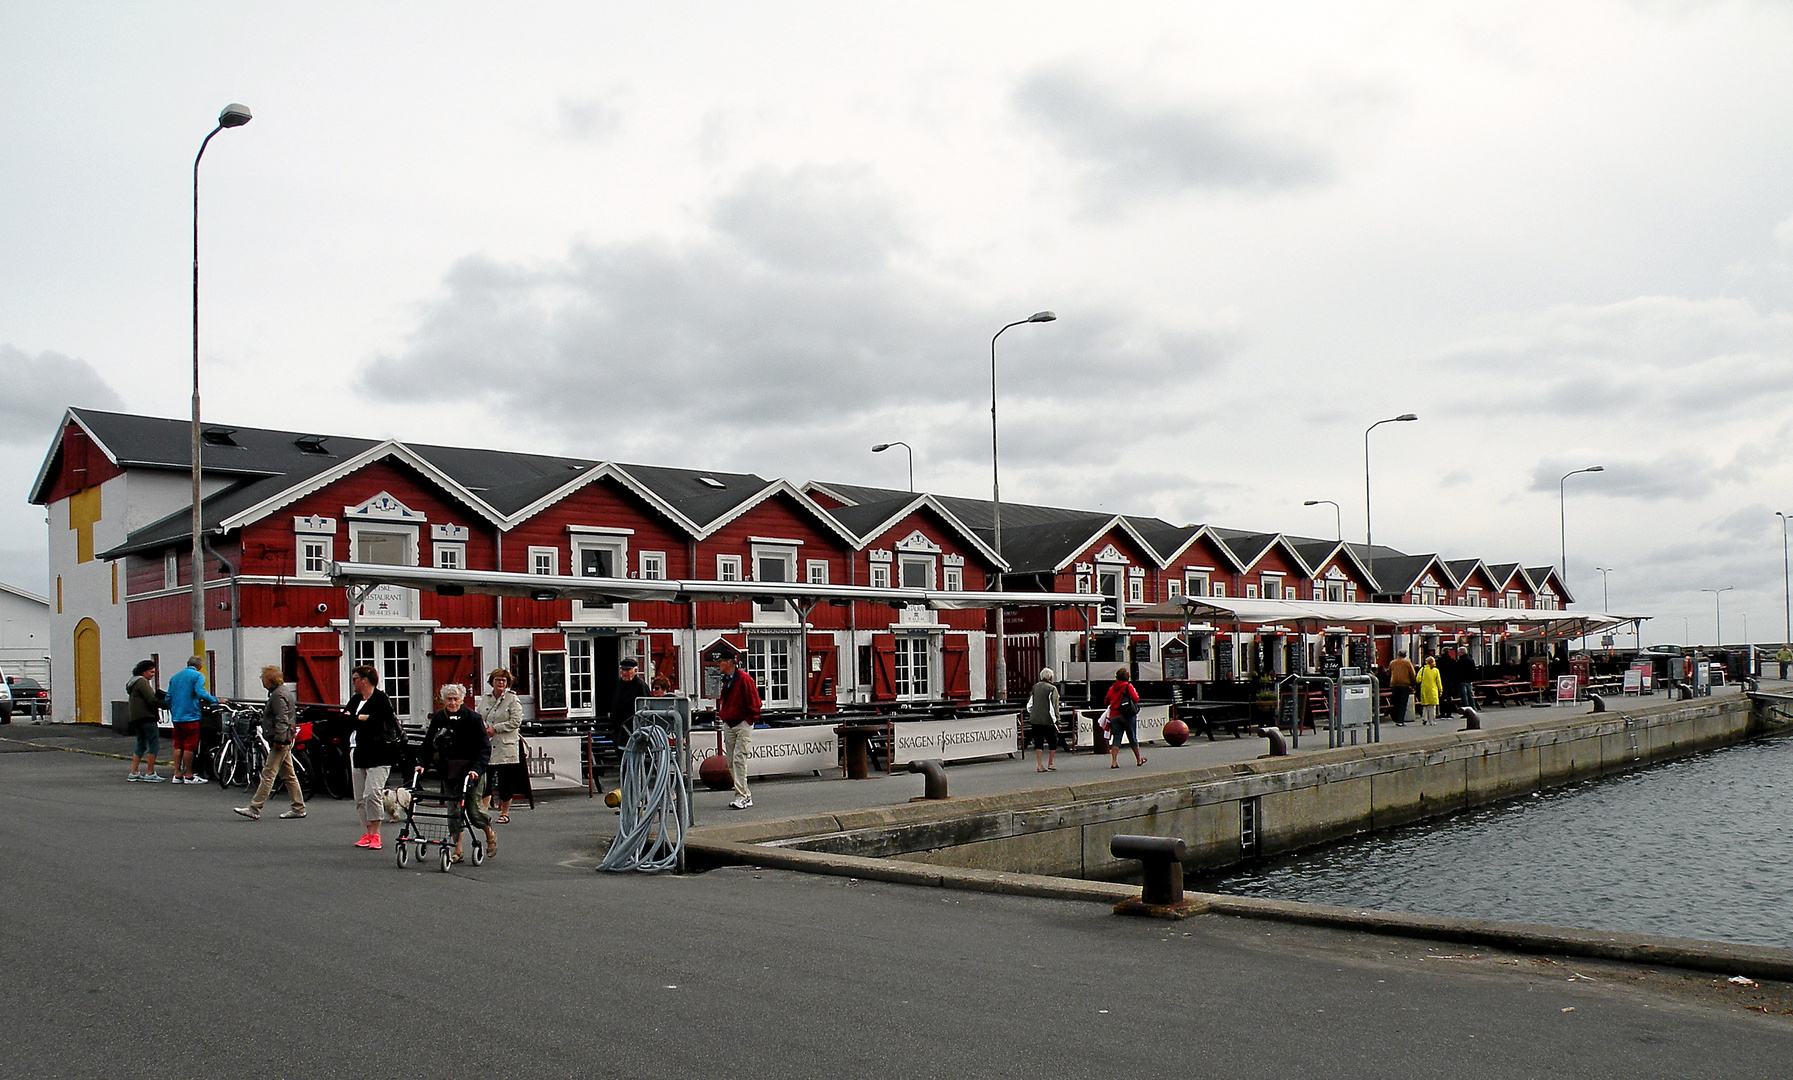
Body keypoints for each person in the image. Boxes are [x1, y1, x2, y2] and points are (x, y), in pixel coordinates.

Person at [422, 683, 496, 863]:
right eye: (449, 699)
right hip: (449, 770)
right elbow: (428, 744)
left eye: (456, 699)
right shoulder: (439, 717)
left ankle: (489, 833)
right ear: (443, 701)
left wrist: (476, 769)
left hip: (471, 770)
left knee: (474, 811)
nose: (453, 703)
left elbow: (485, 748)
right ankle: (457, 849)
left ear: (462, 699)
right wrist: (422, 764)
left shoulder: (473, 718)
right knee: (453, 811)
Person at [234, 666, 306, 820]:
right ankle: (298, 806)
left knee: (268, 773)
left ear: (269, 679)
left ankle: (255, 807)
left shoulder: (277, 696)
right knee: (288, 775)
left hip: (281, 739)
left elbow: (282, 718)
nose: (262, 680)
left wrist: (279, 739)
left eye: (263, 677)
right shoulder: (282, 693)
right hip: (287, 737)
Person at [345, 664, 405, 850]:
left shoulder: (381, 699)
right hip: (358, 749)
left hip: (380, 752)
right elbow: (344, 720)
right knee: (359, 796)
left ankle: (376, 833)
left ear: (364, 680)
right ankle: (367, 831)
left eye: (355, 679)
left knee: (372, 793)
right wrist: (360, 719)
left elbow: (378, 723)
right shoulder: (355, 700)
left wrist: (358, 719)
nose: (353, 682)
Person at [713, 645, 761, 810]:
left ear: (727, 663)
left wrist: (749, 720)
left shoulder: (744, 679)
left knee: (739, 760)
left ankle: (743, 795)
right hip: (732, 722)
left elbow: (755, 703)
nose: (718, 665)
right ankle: (743, 794)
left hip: (741, 723)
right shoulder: (729, 680)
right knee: (732, 761)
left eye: (720, 662)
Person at [479, 668, 527, 823]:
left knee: (505, 782)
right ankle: (484, 812)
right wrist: (484, 728)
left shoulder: (512, 699)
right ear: (492, 682)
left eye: (503, 681)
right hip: (487, 745)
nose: (500, 683)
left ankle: (504, 813)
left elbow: (515, 721)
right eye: (498, 680)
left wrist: (495, 728)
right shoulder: (485, 699)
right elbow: (479, 716)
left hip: (506, 746)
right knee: (485, 780)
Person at [165, 655, 217, 784]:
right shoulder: (198, 676)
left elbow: (168, 698)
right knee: (189, 746)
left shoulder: (175, 677)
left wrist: (175, 710)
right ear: (200, 666)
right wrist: (214, 700)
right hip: (191, 715)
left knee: (178, 745)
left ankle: (177, 774)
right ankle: (189, 775)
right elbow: (200, 692)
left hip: (177, 716)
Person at [124, 660, 165, 782]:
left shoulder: (133, 682)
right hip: (146, 717)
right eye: (151, 672)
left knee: (141, 744)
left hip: (136, 718)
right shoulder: (142, 682)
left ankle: (134, 771)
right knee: (154, 743)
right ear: (144, 671)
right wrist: (165, 704)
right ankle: (150, 772)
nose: (153, 674)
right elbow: (151, 700)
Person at [1105, 667, 1146, 768]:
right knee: (1132, 737)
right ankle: (1138, 759)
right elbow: (1136, 698)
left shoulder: (1111, 688)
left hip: (1114, 716)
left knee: (1116, 738)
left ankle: (1114, 762)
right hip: (1127, 715)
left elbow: (1106, 701)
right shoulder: (1128, 686)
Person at [1026, 667, 1062, 772]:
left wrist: (1033, 713)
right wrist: (1058, 721)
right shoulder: (1052, 689)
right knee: (1052, 741)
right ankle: (1050, 763)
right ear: (1050, 677)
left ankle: (1039, 764)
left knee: (1038, 741)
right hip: (1048, 719)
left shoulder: (1035, 687)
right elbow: (1054, 706)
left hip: (1035, 719)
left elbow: (1030, 704)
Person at [611, 657, 650, 735]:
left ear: (635, 671)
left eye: (627, 670)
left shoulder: (640, 686)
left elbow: (647, 708)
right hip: (619, 728)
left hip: (635, 728)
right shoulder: (618, 684)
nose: (624, 673)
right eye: (622, 670)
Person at [1387, 650, 1417, 726]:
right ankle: (1400, 720)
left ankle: (1395, 718)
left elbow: (1388, 672)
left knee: (1395, 702)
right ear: (1405, 655)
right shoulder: (1407, 663)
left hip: (1394, 684)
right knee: (1403, 703)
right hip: (1404, 685)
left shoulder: (1392, 662)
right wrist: (1413, 685)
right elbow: (1412, 674)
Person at [1417, 654, 1443, 725]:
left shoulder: (1422, 669)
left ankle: (1424, 718)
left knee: (1425, 705)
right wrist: (1440, 690)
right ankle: (1432, 720)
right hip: (1433, 690)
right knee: (1432, 706)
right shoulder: (1436, 670)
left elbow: (1418, 679)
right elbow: (1438, 681)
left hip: (1424, 689)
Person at [1455, 648, 1480, 715]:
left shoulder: (1460, 661)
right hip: (1469, 680)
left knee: (1464, 696)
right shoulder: (1470, 660)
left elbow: (1457, 671)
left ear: (1461, 653)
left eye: (1458, 652)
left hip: (1462, 680)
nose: (1457, 654)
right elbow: (1473, 670)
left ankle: (1466, 710)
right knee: (1470, 695)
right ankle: (1473, 708)